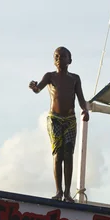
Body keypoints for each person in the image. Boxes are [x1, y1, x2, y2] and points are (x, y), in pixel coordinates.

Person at [29, 46, 89, 202]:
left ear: (69, 60)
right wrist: (34, 86)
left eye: (62, 56)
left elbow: (81, 98)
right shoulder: (50, 76)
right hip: (54, 119)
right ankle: (58, 191)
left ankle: (68, 192)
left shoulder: (75, 78)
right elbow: (38, 89)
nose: (59, 59)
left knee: (68, 153)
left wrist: (85, 110)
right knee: (58, 154)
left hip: (69, 119)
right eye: (56, 56)